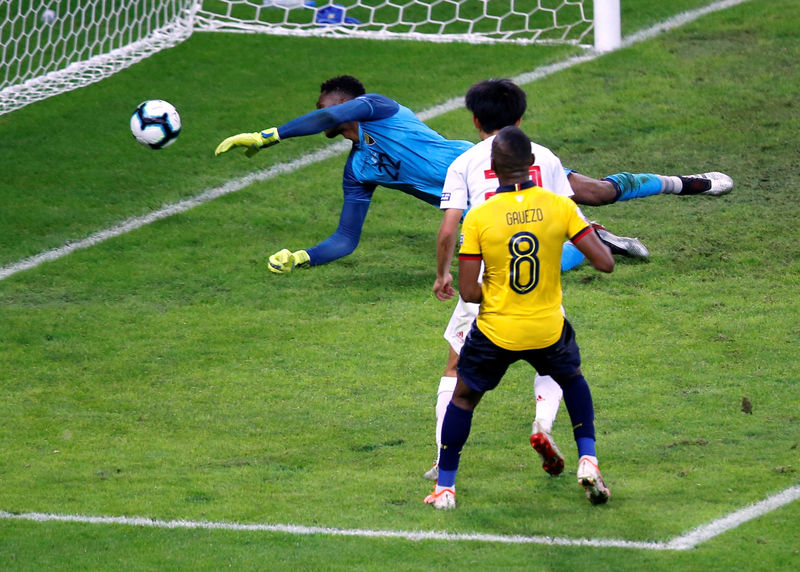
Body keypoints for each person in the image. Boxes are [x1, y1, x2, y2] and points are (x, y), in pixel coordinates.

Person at [424, 78, 733, 482]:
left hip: (487, 276)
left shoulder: (464, 163)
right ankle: (544, 427)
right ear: (520, 118)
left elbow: (450, 229)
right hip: (539, 279)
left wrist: (443, 272)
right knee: (555, 361)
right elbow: (567, 219)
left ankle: (442, 464)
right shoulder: (544, 157)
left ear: (476, 120)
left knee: (457, 369)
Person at [214, 75, 656, 273]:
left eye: (326, 107)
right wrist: (302, 257)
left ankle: (685, 183)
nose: (319, 114)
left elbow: (326, 118)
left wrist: (268, 135)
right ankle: (596, 238)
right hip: (475, 205)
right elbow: (345, 240)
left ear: (349, 104)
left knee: (595, 191)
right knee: (529, 266)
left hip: (489, 159)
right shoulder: (359, 169)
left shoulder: (379, 108)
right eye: (320, 109)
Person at [424, 126, 614, 510]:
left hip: (496, 330)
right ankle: (588, 458)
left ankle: (445, 488)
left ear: (492, 168)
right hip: (546, 326)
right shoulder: (560, 206)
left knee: (463, 398)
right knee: (572, 379)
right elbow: (605, 262)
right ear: (531, 163)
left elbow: (468, 292)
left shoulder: (479, 217)